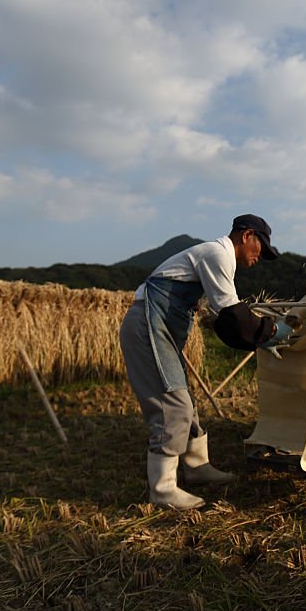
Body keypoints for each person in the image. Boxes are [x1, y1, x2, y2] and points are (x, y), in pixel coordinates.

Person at [119, 214, 288, 510]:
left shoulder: (215, 260)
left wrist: (259, 339)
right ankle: (163, 489)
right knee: (172, 403)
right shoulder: (218, 254)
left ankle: (197, 467)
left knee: (187, 402)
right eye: (261, 247)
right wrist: (271, 331)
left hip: (162, 331)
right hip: (148, 326)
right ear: (247, 236)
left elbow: (225, 322)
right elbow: (233, 314)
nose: (260, 257)